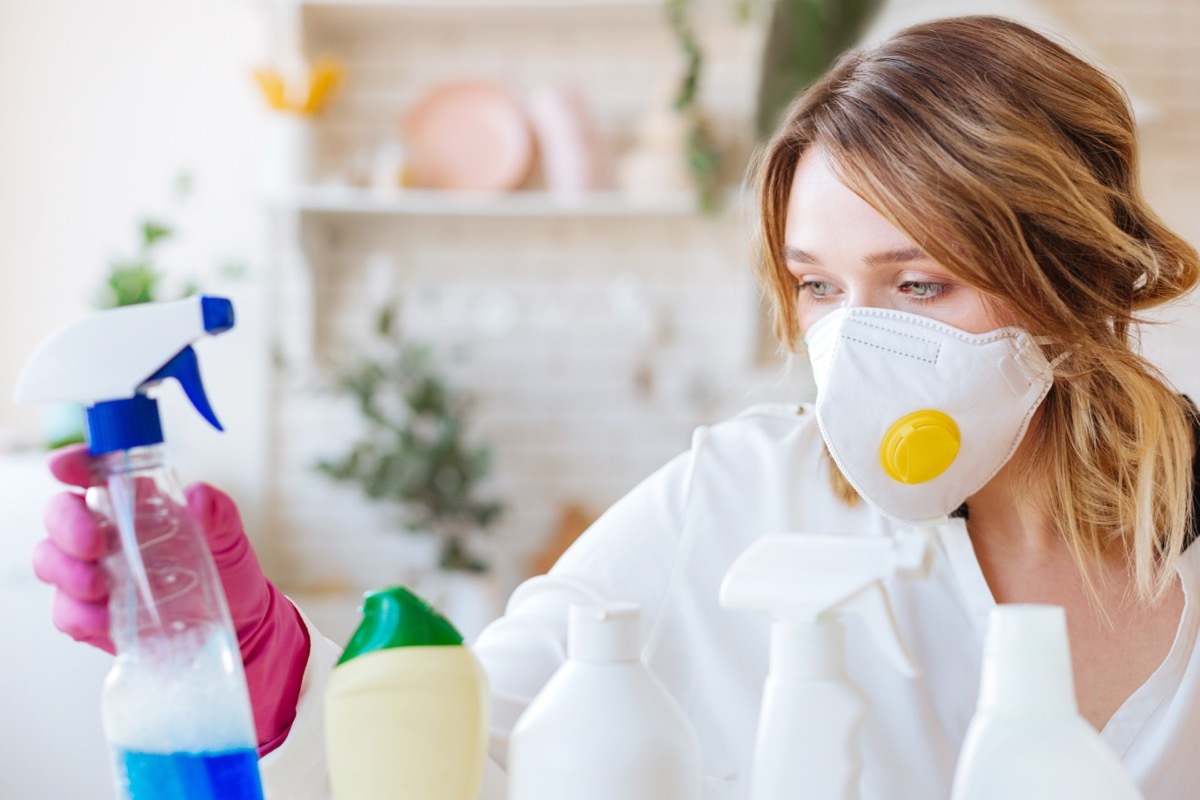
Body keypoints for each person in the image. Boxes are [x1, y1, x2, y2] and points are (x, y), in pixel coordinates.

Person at [31, 14, 1200, 799]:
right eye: (819, 288)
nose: (857, 343)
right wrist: (259, 653)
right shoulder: (746, 494)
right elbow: (461, 752)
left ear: (1072, 271)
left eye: (919, 282)